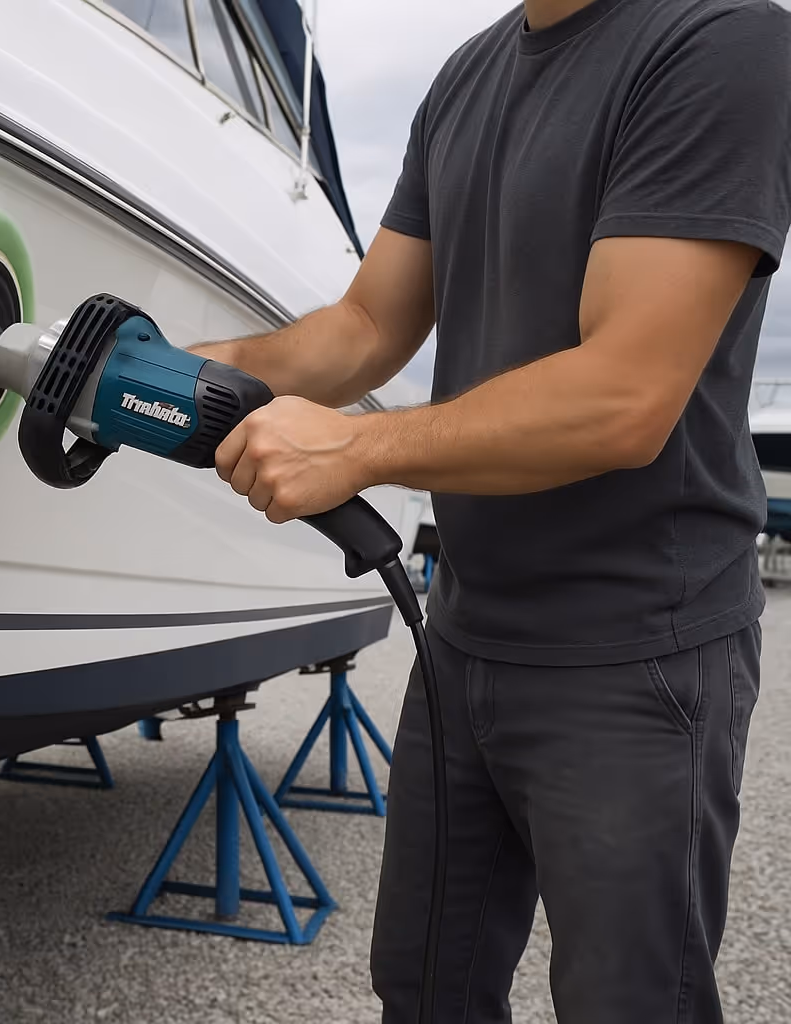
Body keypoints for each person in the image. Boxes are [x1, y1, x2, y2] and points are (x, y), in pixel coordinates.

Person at [195, 0, 791, 1020]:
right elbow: (367, 324)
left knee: (628, 1001)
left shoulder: (722, 40)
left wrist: (357, 447)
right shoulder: (468, 76)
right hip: (464, 638)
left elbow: (623, 399)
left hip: (636, 652)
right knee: (428, 988)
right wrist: (176, 372)